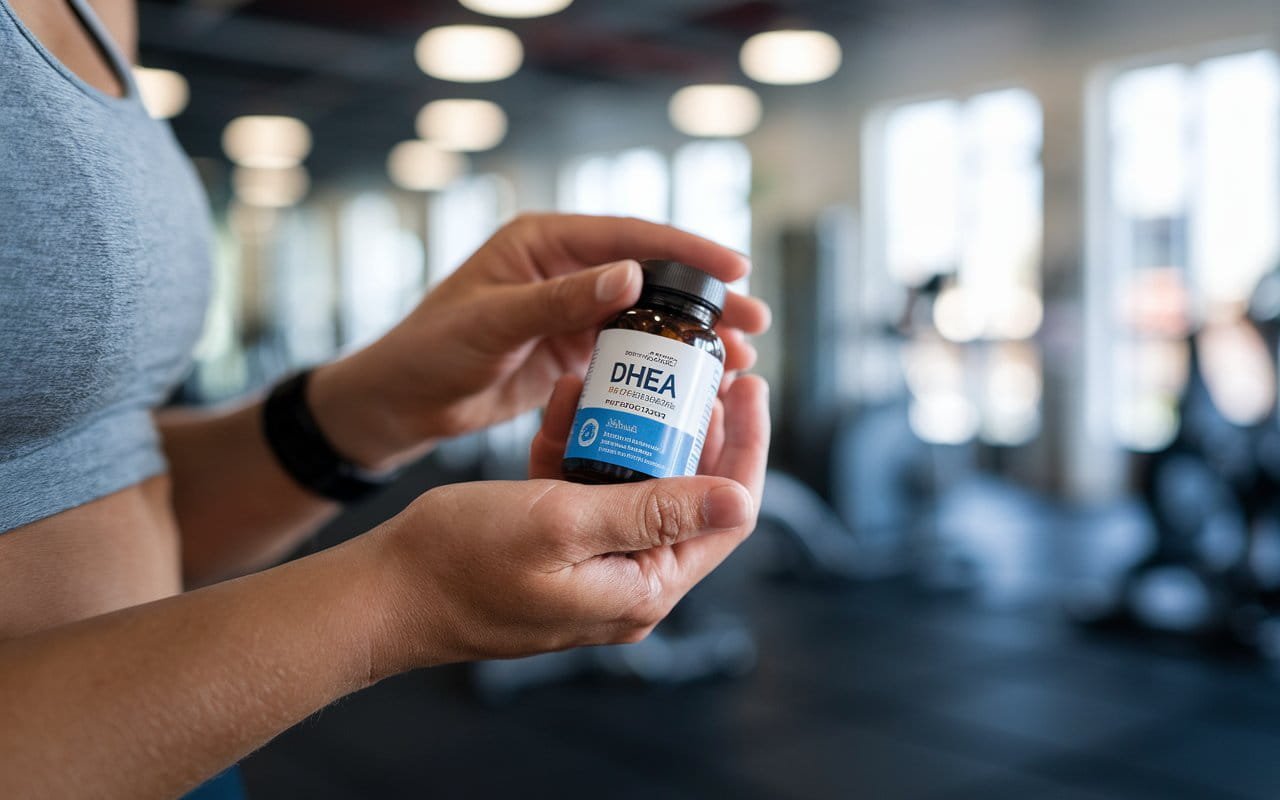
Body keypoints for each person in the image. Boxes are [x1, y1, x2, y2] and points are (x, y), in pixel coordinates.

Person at [0, 1, 772, 797]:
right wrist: (401, 597)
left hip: (171, 745)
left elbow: (99, 489)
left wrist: (373, 405)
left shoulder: (109, 11)